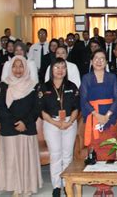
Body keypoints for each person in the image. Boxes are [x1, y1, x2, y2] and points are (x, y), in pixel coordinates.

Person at [0, 56, 42, 195]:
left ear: (26, 68)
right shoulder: (4, 85)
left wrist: (24, 123)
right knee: (11, 159)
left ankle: (27, 186)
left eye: (21, 66)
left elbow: (36, 108)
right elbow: (0, 106)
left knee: (26, 159)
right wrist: (15, 123)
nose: (18, 69)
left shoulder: (33, 85)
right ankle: (15, 186)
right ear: (10, 68)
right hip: (9, 127)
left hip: (27, 127)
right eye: (15, 66)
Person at [80, 49, 117, 197]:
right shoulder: (86, 78)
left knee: (109, 148)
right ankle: (99, 185)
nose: (99, 61)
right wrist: (97, 114)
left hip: (110, 118)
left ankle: (108, 185)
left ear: (106, 62)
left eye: (102, 58)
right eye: (96, 58)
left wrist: (108, 115)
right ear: (91, 61)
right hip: (93, 117)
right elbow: (83, 99)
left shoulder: (111, 77)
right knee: (95, 150)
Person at [39, 58, 79, 197]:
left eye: (63, 67)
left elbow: (76, 108)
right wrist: (56, 123)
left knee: (67, 155)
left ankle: (67, 185)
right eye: (57, 67)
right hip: (51, 123)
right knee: (55, 155)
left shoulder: (72, 86)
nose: (60, 70)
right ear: (51, 70)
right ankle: (56, 186)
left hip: (70, 122)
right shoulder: (43, 87)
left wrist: (69, 122)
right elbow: (41, 111)